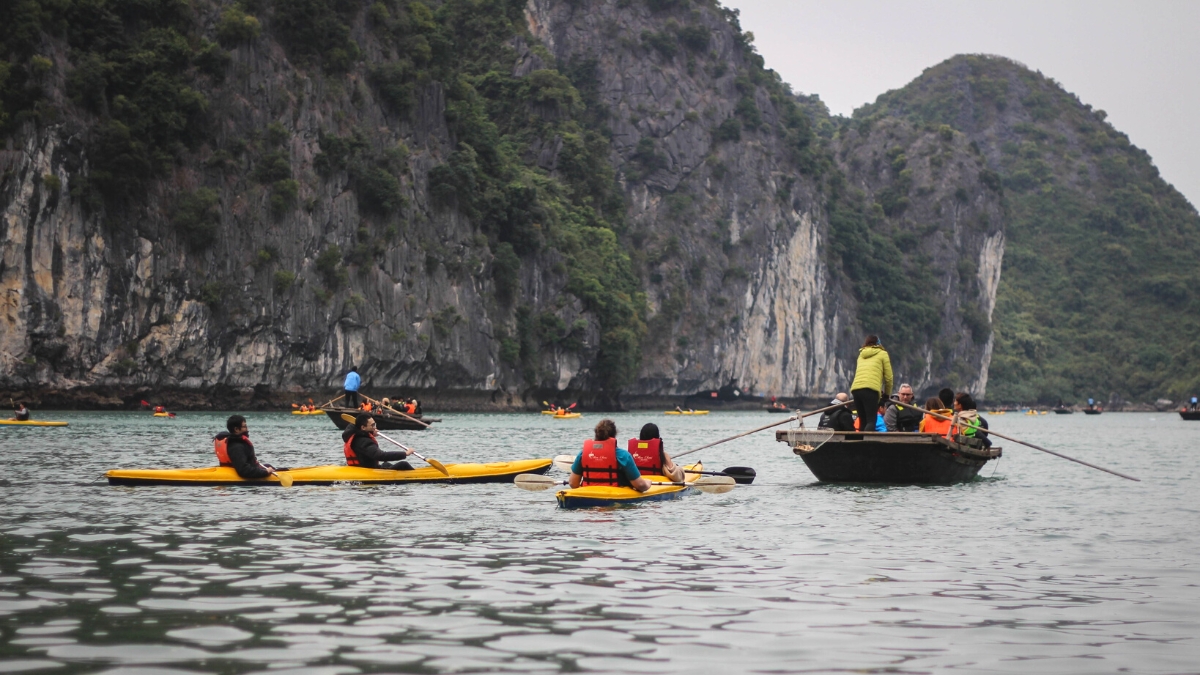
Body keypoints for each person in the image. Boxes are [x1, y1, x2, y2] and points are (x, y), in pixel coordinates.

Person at [569, 419, 651, 492]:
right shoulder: (623, 456)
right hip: (614, 498)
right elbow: (640, 486)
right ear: (614, 435)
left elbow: (573, 483)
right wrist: (647, 483)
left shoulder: (582, 454)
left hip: (589, 496)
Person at [849, 335, 893, 437]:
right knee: (871, 420)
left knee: (863, 420)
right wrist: (886, 395)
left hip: (856, 389)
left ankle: (860, 444)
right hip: (870, 390)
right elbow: (889, 378)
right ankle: (866, 444)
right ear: (878, 343)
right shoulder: (883, 354)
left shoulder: (861, 355)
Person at [214, 415, 281, 480]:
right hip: (241, 475)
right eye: (244, 426)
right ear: (236, 429)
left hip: (245, 468)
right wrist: (266, 472)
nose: (247, 429)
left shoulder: (236, 443)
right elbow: (244, 470)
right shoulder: (236, 447)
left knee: (269, 466)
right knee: (268, 468)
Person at [342, 413, 413, 470]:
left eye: (374, 424)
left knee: (386, 464)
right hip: (367, 470)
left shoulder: (355, 435)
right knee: (404, 464)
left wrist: (370, 432)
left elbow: (356, 429)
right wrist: (405, 454)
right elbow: (380, 455)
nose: (375, 428)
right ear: (363, 427)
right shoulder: (364, 441)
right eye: (372, 425)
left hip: (363, 467)